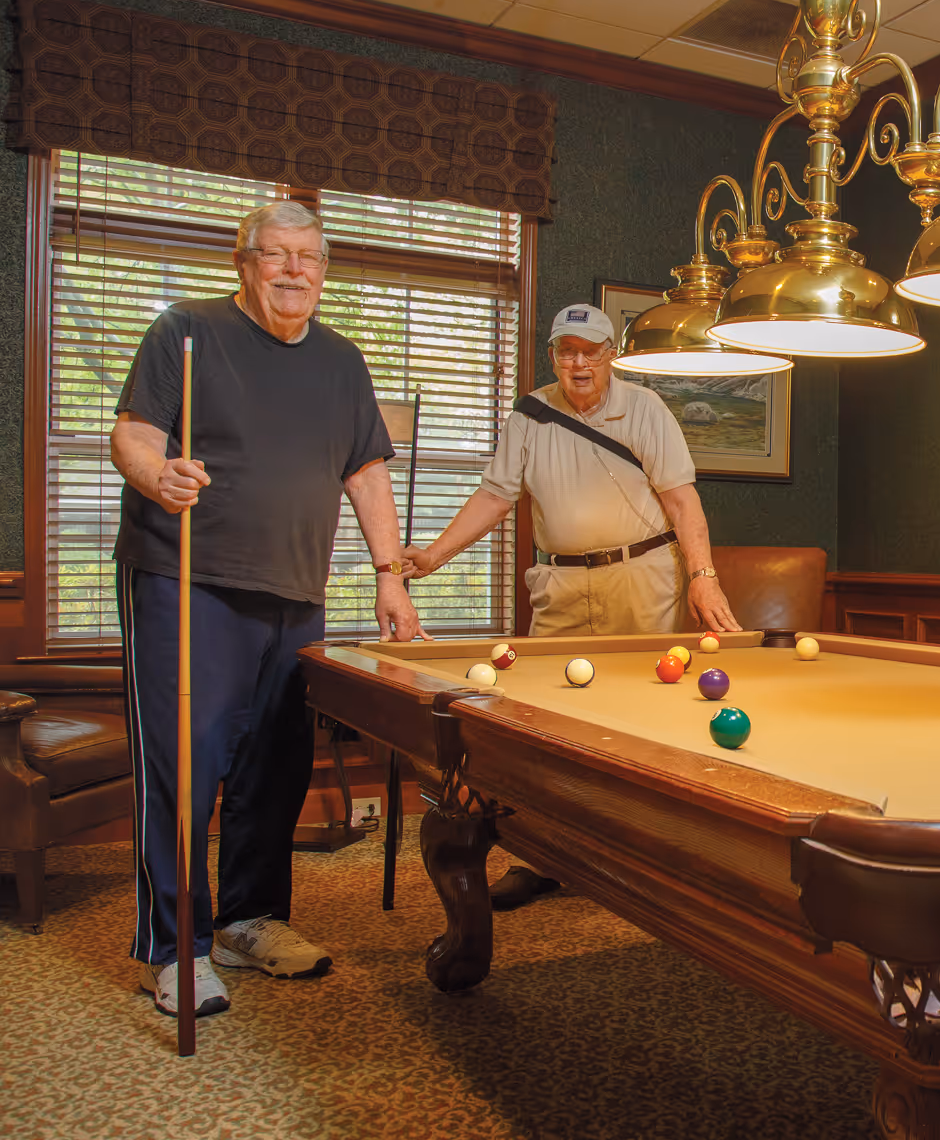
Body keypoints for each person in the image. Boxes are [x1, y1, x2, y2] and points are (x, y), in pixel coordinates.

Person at [111, 201, 424, 1019]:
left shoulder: (341, 361)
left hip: (296, 591)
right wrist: (157, 476)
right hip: (189, 584)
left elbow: (366, 475)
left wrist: (391, 576)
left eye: (309, 257)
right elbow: (134, 434)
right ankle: (175, 950)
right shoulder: (185, 333)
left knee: (273, 767)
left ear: (324, 268)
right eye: (277, 255)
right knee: (184, 768)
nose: (295, 271)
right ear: (243, 262)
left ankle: (250, 918)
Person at [404, 303, 739, 907]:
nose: (578, 363)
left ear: (610, 353)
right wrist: (433, 556)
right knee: (546, 722)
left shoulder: (644, 409)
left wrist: (704, 577)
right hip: (559, 583)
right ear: (553, 355)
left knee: (645, 718)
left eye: (590, 350)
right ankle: (544, 856)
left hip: (641, 575)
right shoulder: (531, 412)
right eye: (567, 351)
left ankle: (642, 855)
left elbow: (684, 503)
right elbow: (494, 495)